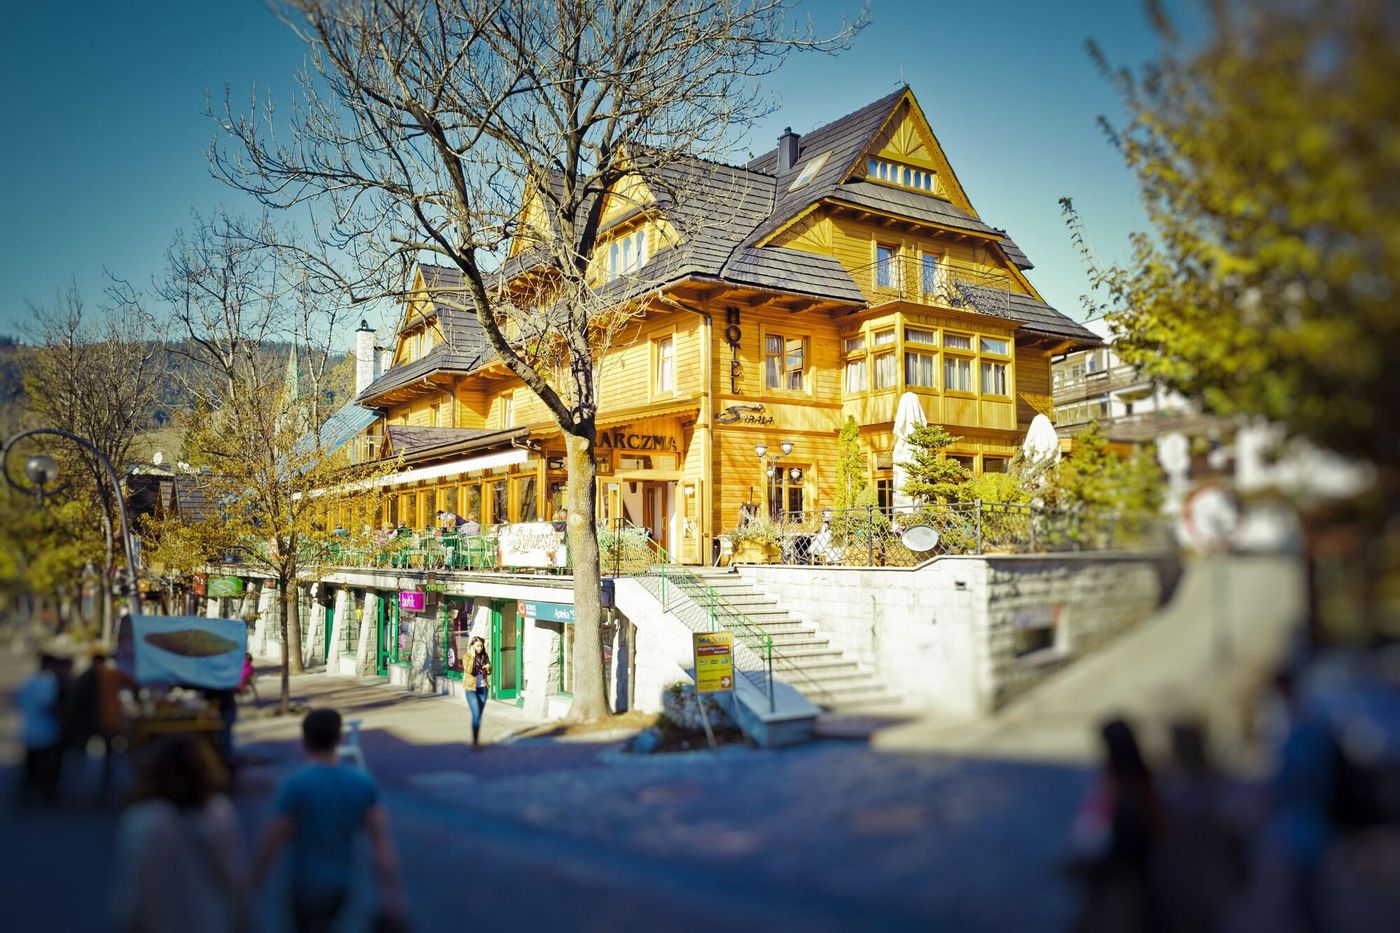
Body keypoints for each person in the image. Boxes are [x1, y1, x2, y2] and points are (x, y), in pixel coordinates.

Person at [253, 708, 401, 933]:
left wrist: (251, 887)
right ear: (339, 739)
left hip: (305, 885)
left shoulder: (295, 785)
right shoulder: (362, 783)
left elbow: (271, 841)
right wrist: (391, 896)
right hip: (342, 886)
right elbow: (381, 844)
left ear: (304, 740)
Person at [108, 735, 246, 933]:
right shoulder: (220, 813)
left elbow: (131, 894)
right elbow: (235, 879)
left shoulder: (142, 821)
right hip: (211, 921)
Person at [1068, 718, 1162, 933]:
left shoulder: (1130, 790)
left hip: (1125, 887)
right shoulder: (1133, 782)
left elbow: (1128, 847)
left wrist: (1090, 868)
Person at [16, 654, 64, 806]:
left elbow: (18, 701)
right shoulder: (48, 682)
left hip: (29, 730)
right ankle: (46, 795)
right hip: (47, 732)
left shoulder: (28, 681)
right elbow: (48, 703)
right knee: (47, 768)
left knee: (30, 767)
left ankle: (27, 794)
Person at [465, 636, 491, 748]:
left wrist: (488, 668)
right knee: (476, 713)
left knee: (479, 715)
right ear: (472, 646)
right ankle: (475, 741)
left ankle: (476, 738)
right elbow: (469, 670)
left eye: (481, 645)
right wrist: (473, 656)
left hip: (483, 688)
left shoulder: (485, 656)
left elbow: (489, 672)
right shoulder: (467, 657)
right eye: (477, 646)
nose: (480, 648)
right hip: (471, 689)